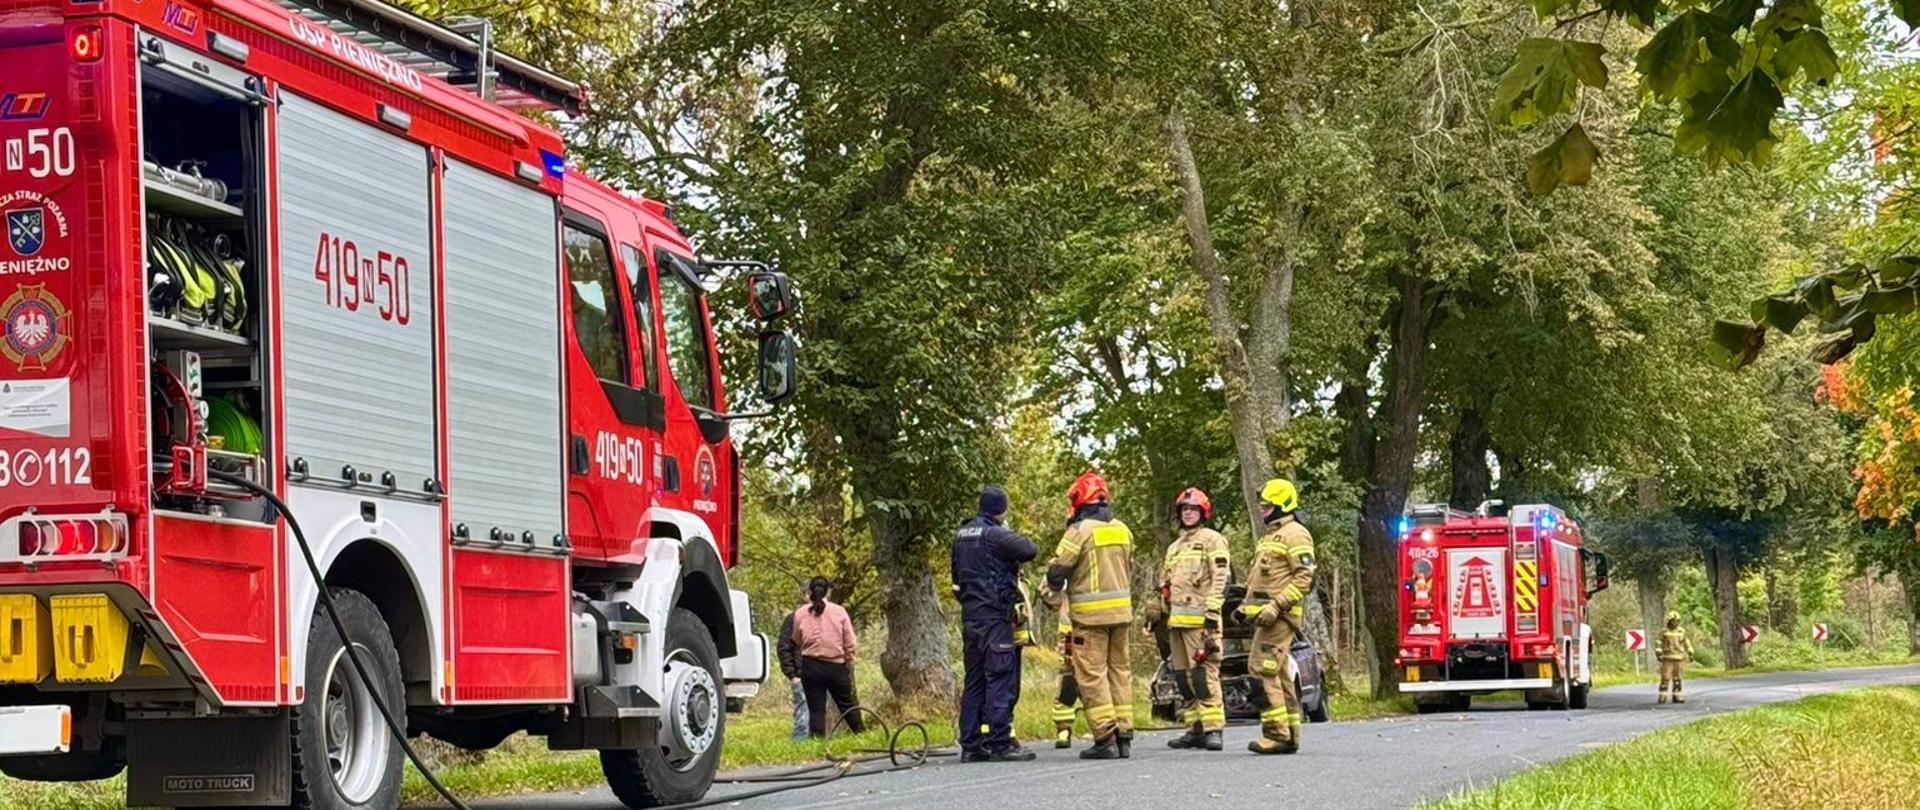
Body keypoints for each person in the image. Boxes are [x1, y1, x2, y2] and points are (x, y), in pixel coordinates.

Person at [1044, 472, 1135, 760]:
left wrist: (1054, 590)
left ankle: (1104, 736)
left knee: (1092, 676)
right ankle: (1124, 735)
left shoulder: (1080, 531)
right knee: (1119, 672)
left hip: (1089, 619)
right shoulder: (1123, 529)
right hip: (1121, 615)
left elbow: (1057, 570)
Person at [951, 485, 1040, 763]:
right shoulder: (995, 533)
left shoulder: (961, 535)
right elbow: (1029, 549)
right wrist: (1007, 530)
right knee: (1000, 678)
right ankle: (1001, 742)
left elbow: (956, 577)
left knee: (974, 682)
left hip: (970, 618)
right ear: (1001, 510)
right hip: (994, 618)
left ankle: (971, 745)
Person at [1148, 487, 1230, 751]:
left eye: (1193, 509)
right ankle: (1193, 729)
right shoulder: (1174, 547)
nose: (1189, 513)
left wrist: (1212, 612)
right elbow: (1165, 583)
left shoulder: (1212, 540)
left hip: (1201, 624)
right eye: (1185, 509)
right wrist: (1155, 609)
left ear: (1202, 512)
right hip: (1176, 623)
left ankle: (1213, 729)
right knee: (1183, 679)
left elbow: (1221, 578)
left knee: (1203, 676)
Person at [1238, 479, 1315, 755]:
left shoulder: (1296, 534)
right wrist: (1245, 608)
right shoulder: (1271, 536)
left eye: (1267, 505)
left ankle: (1276, 734)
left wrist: (1277, 605)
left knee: (1260, 669)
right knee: (1279, 675)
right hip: (1266, 617)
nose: (1262, 509)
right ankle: (1290, 734)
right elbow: (1260, 580)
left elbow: (1305, 577)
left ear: (1282, 504)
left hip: (1280, 617)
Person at [791, 577, 865, 737]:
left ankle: (817, 741)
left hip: (810, 665)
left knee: (816, 708)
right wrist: (849, 659)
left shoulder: (800, 613)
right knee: (847, 704)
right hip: (835, 665)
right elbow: (850, 640)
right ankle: (861, 734)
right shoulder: (839, 611)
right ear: (828, 592)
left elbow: (796, 638)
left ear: (809, 592)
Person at [1048, 597, 1085, 748]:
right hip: (1099, 628)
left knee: (1068, 678)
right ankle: (1107, 730)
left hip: (1070, 627)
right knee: (1098, 678)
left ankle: (1063, 731)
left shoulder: (1067, 573)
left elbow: (1049, 593)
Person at [776, 586, 808, 740]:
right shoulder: (793, 618)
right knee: (803, 713)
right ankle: (800, 744)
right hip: (801, 674)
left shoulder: (826, 618)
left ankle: (817, 746)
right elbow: (784, 648)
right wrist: (792, 675)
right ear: (805, 596)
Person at [1657, 611, 1692, 704]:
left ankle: (1677, 695)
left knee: (1677, 678)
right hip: (1667, 657)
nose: (1675, 623)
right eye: (1673, 621)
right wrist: (1658, 651)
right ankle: (1662, 695)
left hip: (1679, 657)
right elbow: (1659, 642)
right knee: (1665, 677)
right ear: (1669, 621)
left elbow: (1686, 641)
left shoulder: (1681, 631)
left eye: (1677, 621)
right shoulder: (1664, 632)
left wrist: (1690, 649)